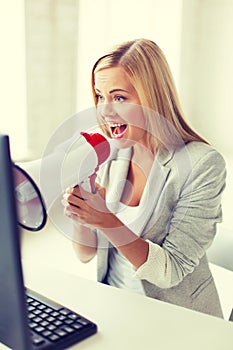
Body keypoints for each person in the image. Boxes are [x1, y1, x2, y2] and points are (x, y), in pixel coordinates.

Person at [63, 38, 226, 317]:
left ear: (152, 97)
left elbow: (171, 270)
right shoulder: (112, 154)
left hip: (174, 317)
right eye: (100, 96)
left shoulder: (202, 164)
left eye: (119, 97)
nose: (105, 110)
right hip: (114, 306)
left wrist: (105, 220)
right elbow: (85, 254)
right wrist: (83, 215)